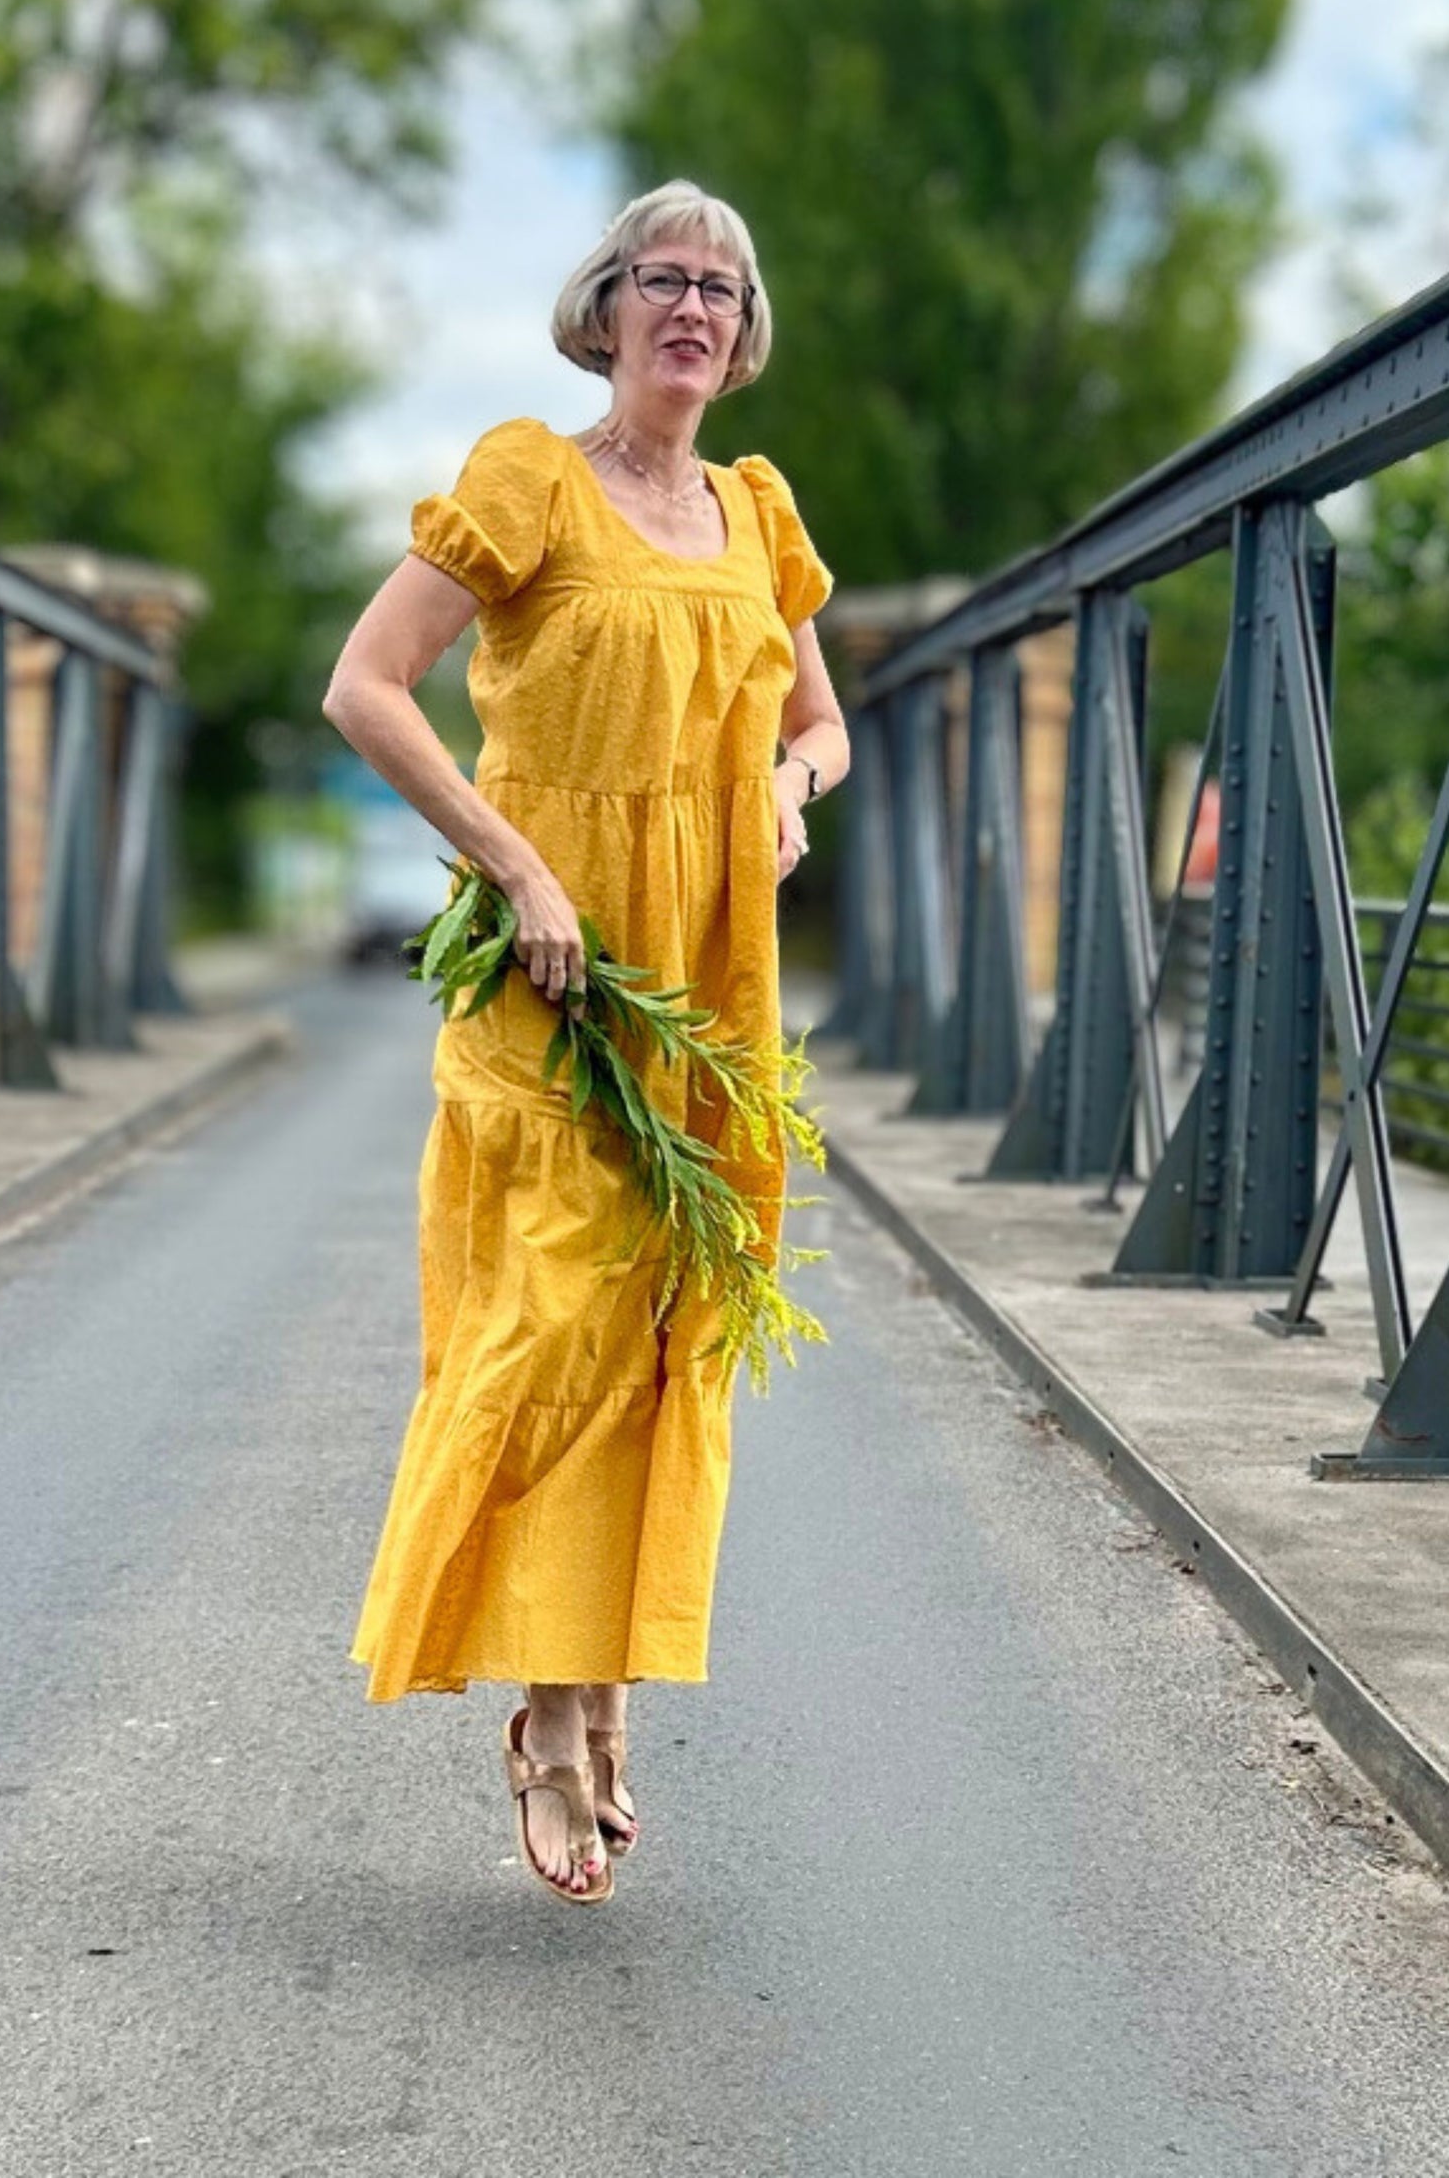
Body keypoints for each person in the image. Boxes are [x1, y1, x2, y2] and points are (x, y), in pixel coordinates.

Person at [322, 180, 848, 1906]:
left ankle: (599, 1691)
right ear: (604, 307)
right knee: (551, 1312)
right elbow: (365, 686)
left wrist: (786, 782)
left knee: (662, 1329)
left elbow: (821, 723)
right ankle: (551, 1721)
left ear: (742, 333)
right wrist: (519, 866)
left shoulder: (757, 512)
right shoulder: (528, 479)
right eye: (662, 279)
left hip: (709, 971)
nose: (693, 307)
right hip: (551, 972)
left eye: (722, 288)